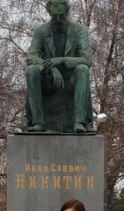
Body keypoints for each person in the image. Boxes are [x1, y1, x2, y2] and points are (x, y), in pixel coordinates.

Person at [25, 0, 93, 133]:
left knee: (83, 69)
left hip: (70, 80)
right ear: (50, 13)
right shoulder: (41, 31)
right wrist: (51, 68)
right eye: (54, 16)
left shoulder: (79, 30)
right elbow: (31, 57)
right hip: (49, 80)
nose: (58, 19)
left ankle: (79, 122)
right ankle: (38, 122)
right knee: (32, 70)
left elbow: (87, 60)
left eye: (61, 15)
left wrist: (61, 60)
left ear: (67, 12)